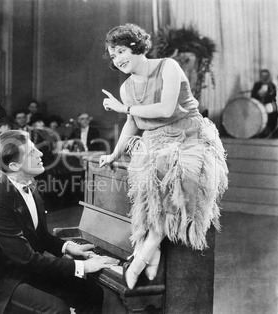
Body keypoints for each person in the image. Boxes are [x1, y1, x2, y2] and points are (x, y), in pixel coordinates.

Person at [99, 23, 228, 289]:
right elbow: (132, 123)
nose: (118, 59)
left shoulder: (168, 66)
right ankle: (153, 252)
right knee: (150, 193)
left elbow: (168, 109)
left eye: (121, 51)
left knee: (178, 180)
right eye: (113, 56)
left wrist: (124, 108)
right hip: (154, 141)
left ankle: (141, 258)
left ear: (137, 48)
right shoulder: (126, 88)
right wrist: (114, 153)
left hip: (189, 136)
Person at [0, 130, 117, 314]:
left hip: (24, 269)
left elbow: (39, 236)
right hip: (3, 280)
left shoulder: (29, 184)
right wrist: (83, 266)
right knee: (57, 310)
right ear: (15, 165)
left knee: (91, 292)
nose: (40, 154)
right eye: (32, 152)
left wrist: (66, 247)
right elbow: (27, 259)